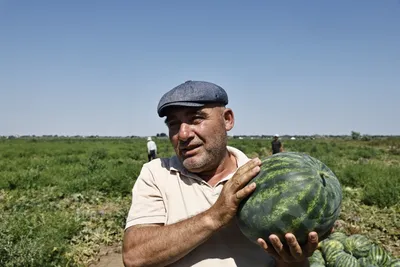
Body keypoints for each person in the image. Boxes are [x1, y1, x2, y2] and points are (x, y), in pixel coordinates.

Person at [122, 80, 320, 267]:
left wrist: (293, 259)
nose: (183, 134)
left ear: (227, 119)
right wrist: (215, 216)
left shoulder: (264, 177)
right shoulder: (157, 173)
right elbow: (134, 256)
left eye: (196, 119)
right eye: (174, 124)